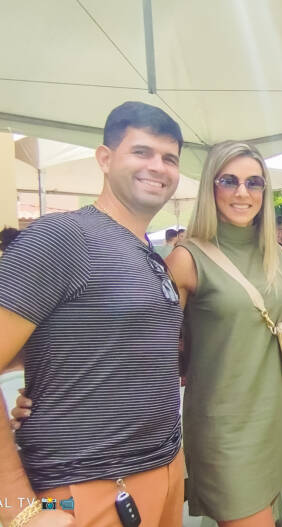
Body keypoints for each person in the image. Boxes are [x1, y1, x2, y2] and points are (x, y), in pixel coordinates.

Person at [0, 101, 185, 527]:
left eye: (169, 158)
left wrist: (44, 388)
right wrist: (19, 509)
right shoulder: (64, 236)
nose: (157, 167)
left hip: (163, 471)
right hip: (86, 490)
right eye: (142, 152)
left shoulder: (148, 253)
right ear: (105, 158)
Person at [166, 141, 282, 526]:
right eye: (229, 181)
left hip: (276, 416)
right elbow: (151, 348)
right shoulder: (186, 259)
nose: (243, 192)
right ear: (210, 187)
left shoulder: (277, 254)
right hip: (226, 429)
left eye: (254, 182)